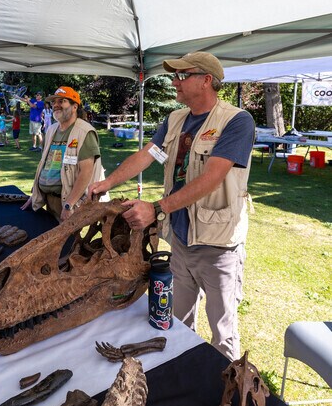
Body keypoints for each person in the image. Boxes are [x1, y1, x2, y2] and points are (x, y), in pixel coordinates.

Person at [89, 52, 255, 360]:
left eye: (182, 75)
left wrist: (156, 208)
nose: (174, 82)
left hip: (217, 246)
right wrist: (106, 183)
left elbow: (212, 177)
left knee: (222, 332)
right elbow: (147, 155)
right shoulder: (175, 119)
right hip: (179, 239)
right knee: (176, 321)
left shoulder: (236, 121)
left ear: (206, 80)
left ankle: (227, 387)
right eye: (173, 76)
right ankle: (186, 371)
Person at [21, 86, 108, 222]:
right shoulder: (51, 129)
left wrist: (69, 205)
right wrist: (36, 194)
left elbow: (86, 172)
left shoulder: (84, 132)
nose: (56, 105)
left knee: (70, 243)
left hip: (69, 203)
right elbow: (46, 165)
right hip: (49, 201)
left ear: (74, 106)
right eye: (54, 102)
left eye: (62, 101)